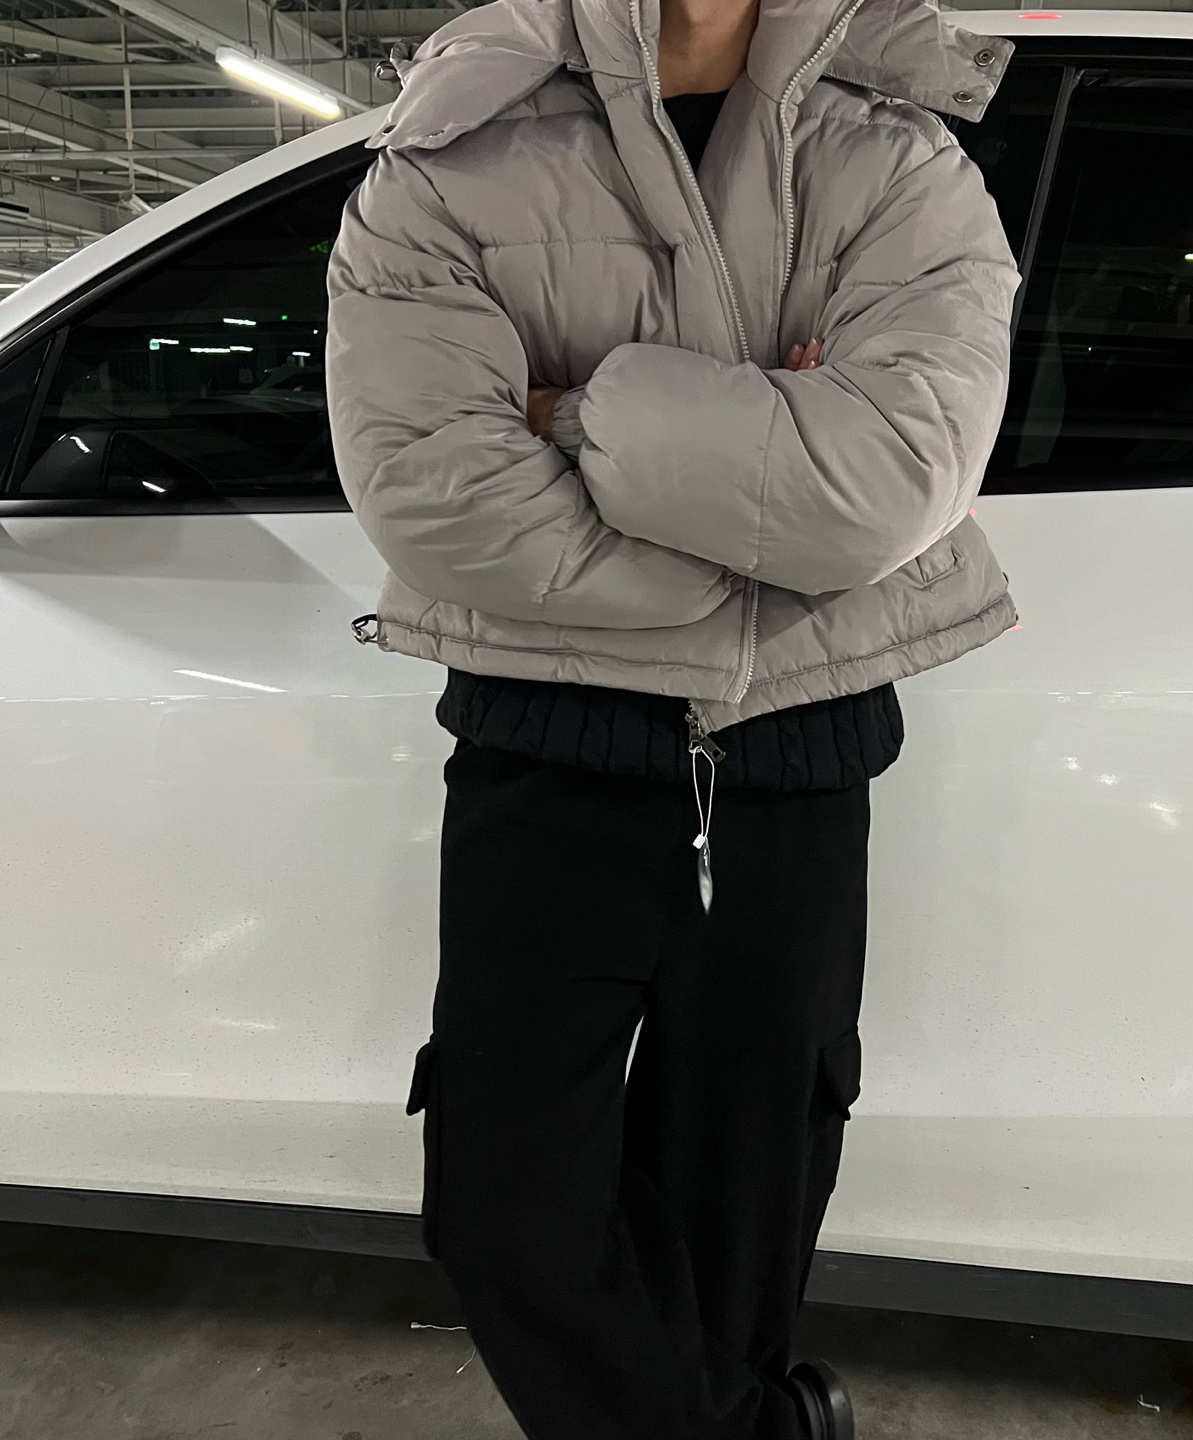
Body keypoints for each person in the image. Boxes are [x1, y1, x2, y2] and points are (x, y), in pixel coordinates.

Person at [324, 0, 1019, 1431]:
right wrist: (768, 509)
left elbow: (881, 489)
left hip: (793, 768)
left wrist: (570, 413)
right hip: (546, 756)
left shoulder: (901, 160)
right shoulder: (445, 158)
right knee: (509, 1217)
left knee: (739, 1240)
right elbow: (440, 500)